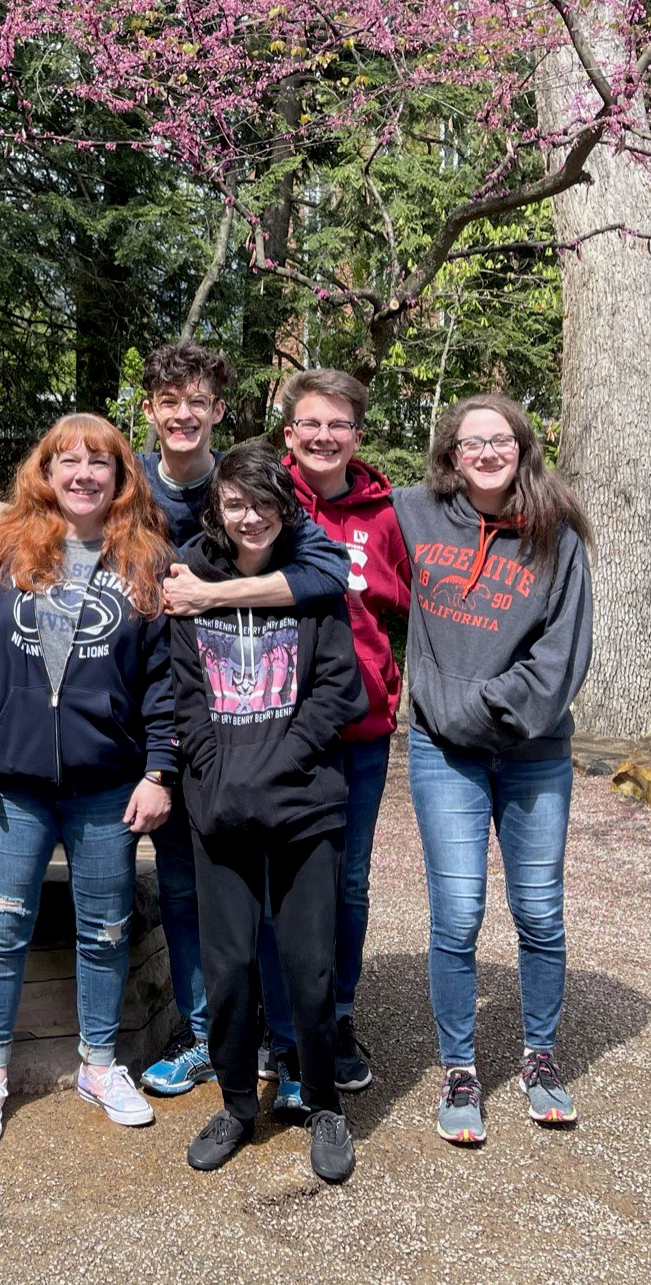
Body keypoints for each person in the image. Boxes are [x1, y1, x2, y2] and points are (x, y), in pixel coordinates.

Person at [0, 343, 351, 1100]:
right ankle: (208, 1034)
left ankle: (285, 1041)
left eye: (197, 401)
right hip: (162, 749)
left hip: (232, 742)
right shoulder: (106, 479)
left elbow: (325, 572)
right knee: (184, 894)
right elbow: (16, 562)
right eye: (170, 401)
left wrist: (209, 600)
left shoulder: (239, 483)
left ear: (217, 411)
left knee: (273, 900)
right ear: (151, 411)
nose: (183, 414)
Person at [0, 414, 179, 1146]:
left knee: (105, 929)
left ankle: (99, 1063)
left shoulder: (147, 562)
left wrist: (158, 769)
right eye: (65, 461)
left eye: (97, 463)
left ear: (119, 475)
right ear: (43, 472)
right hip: (11, 782)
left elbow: (165, 680)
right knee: (3, 924)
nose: (81, 474)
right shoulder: (0, 552)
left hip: (108, 785)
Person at [393, 393, 593, 1146]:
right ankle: (459, 1068)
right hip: (442, 753)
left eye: (498, 438)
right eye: (471, 440)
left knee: (537, 909)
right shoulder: (412, 513)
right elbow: (318, 519)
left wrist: (474, 707)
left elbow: (558, 659)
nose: (485, 451)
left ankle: (539, 1057)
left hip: (532, 751)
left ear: (521, 447)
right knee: (457, 913)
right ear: (449, 451)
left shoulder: (556, 535)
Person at [170, 441, 367, 1184]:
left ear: (284, 508)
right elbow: (183, 693)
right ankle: (232, 1103)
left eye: (262, 503)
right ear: (218, 510)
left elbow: (336, 692)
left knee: (308, 967)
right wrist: (218, 776)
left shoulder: (311, 591)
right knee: (226, 970)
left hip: (304, 805)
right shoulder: (189, 586)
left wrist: (278, 765)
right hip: (217, 805)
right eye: (234, 503)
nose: (249, 516)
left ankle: (321, 1104)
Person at [255, 370, 411, 1107]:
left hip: (359, 729)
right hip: (270, 726)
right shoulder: (261, 498)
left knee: (347, 879)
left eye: (337, 424)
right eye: (309, 423)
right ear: (288, 431)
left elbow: (427, 598)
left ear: (356, 433)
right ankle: (277, 1021)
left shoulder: (388, 514)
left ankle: (338, 1015)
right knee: (271, 877)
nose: (322, 436)